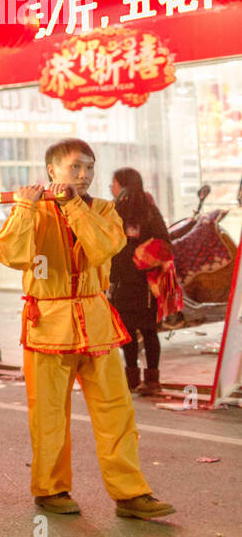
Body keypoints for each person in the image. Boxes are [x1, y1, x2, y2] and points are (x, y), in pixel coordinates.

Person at [0, 138, 174, 520]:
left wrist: (73, 204)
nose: (84, 175)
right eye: (75, 167)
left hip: (96, 321)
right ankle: (51, 488)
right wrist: (24, 208)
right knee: (48, 414)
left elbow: (103, 247)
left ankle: (130, 494)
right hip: (47, 324)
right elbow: (13, 255)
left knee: (116, 411)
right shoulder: (32, 210)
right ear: (52, 171)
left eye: (89, 167)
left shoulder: (104, 210)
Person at [109, 168, 172, 395]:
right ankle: (151, 380)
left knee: (128, 331)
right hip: (145, 283)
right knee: (148, 331)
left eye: (113, 183)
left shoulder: (116, 208)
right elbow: (165, 239)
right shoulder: (149, 209)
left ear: (122, 184)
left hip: (127, 282)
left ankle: (132, 378)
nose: (111, 187)